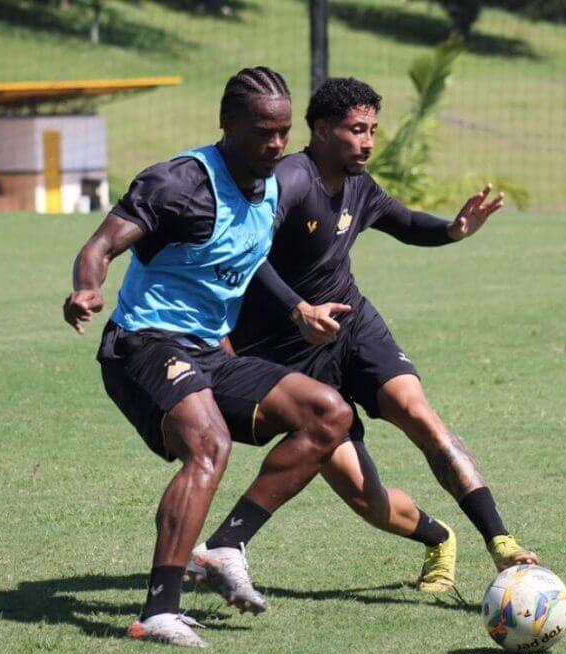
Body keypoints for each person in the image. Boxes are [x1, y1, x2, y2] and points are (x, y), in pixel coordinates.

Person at [188, 77, 537, 598]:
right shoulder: (291, 179)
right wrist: (297, 309)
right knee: (367, 498)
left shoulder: (361, 185)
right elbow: (248, 252)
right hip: (287, 356)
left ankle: (501, 542)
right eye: (357, 130)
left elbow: (406, 222)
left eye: (373, 129)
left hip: (352, 328)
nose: (369, 141)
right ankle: (439, 537)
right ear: (323, 130)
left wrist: (452, 230)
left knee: (417, 412)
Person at [63, 67, 353, 648]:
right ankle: (159, 611)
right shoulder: (178, 183)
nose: (275, 145)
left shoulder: (272, 186)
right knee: (209, 443)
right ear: (227, 124)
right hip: (142, 343)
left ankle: (225, 545)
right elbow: (99, 245)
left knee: (329, 415)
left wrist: (298, 310)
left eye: (283, 132)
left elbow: (247, 266)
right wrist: (86, 288)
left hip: (210, 352)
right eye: (262, 131)